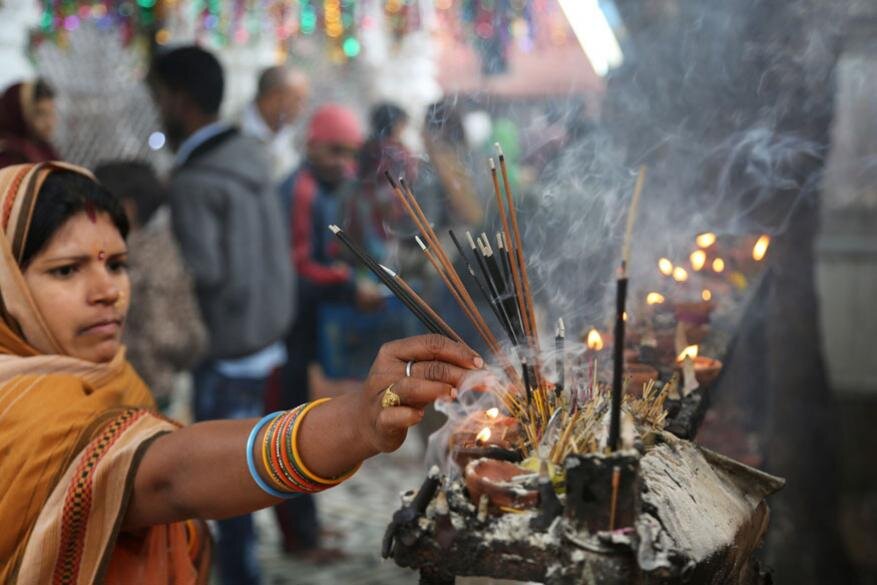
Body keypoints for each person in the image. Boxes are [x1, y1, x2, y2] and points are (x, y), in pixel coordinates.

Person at [0, 161, 480, 584]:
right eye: (66, 270)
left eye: (119, 264)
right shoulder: (19, 411)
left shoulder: (110, 378)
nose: (108, 290)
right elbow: (168, 478)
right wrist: (355, 422)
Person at [147, 45, 293, 584]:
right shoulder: (249, 156)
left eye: (157, 97)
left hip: (227, 344)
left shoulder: (194, 180)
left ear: (180, 102)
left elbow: (205, 272)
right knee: (249, 470)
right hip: (263, 334)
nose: (156, 108)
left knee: (221, 484)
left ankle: (236, 574)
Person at [272, 103, 385, 561]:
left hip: (300, 328)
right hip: (288, 332)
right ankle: (299, 538)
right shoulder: (300, 191)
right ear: (311, 145)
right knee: (288, 433)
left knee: (300, 427)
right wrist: (347, 284)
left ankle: (308, 530)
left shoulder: (317, 189)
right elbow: (298, 267)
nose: (344, 163)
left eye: (350, 153)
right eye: (334, 150)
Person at [94, 160, 207, 413]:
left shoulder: (128, 261)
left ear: (127, 208)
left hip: (145, 387)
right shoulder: (162, 247)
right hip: (165, 381)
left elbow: (163, 331)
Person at [239, 66, 310, 181]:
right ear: (275, 97)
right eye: (298, 100)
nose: (302, 109)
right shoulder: (230, 131)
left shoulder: (292, 136)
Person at [0, 79, 60, 168]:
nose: (49, 122)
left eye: (51, 113)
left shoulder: (45, 150)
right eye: (40, 113)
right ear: (17, 112)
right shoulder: (8, 157)